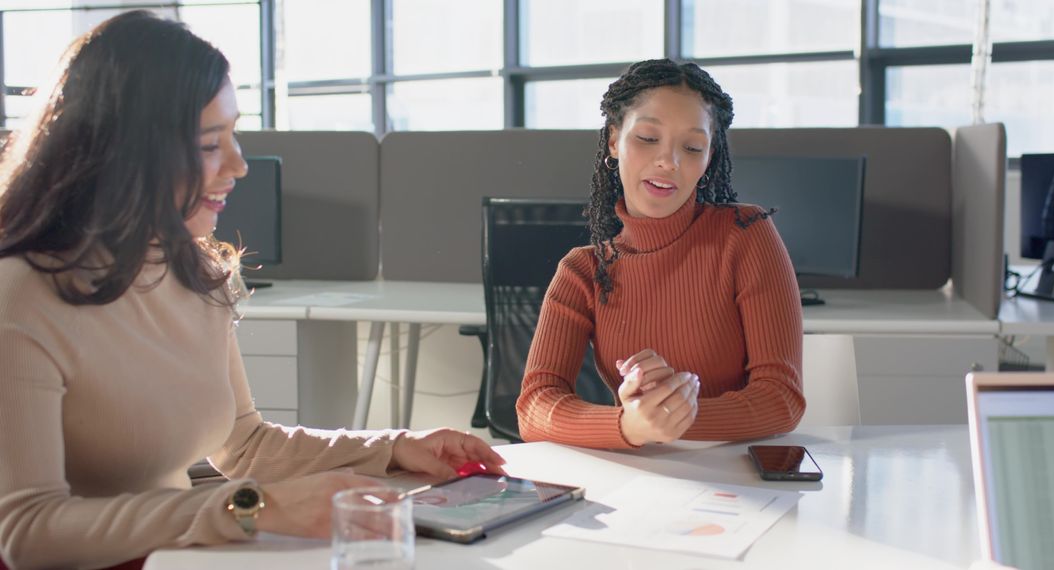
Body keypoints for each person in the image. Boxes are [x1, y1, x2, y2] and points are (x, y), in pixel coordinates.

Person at [0, 11, 503, 570]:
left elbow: (244, 445)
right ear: (123, 154)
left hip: (175, 559)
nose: (239, 164)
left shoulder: (195, 272)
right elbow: (26, 532)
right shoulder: (21, 296)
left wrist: (394, 447)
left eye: (233, 134)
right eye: (211, 144)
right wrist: (250, 508)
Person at [516, 59, 805, 448]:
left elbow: (781, 399)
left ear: (708, 158)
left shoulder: (745, 235)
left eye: (691, 147)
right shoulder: (583, 270)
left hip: (737, 479)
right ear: (615, 140)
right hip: (640, 479)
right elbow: (534, 406)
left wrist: (667, 417)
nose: (669, 161)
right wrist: (630, 425)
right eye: (648, 138)